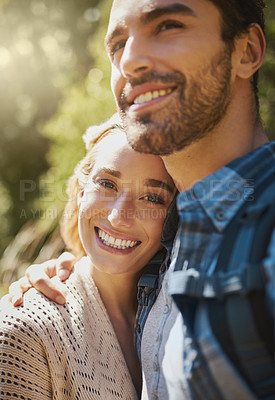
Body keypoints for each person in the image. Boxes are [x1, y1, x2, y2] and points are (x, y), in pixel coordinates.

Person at [3, 0, 275, 398]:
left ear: (247, 49)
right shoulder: (173, 243)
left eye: (167, 25)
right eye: (116, 45)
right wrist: (74, 277)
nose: (129, 61)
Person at [0, 118, 176, 399]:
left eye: (152, 198)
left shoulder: (179, 317)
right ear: (82, 192)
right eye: (107, 183)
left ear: (172, 217)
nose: (119, 216)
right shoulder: (24, 333)